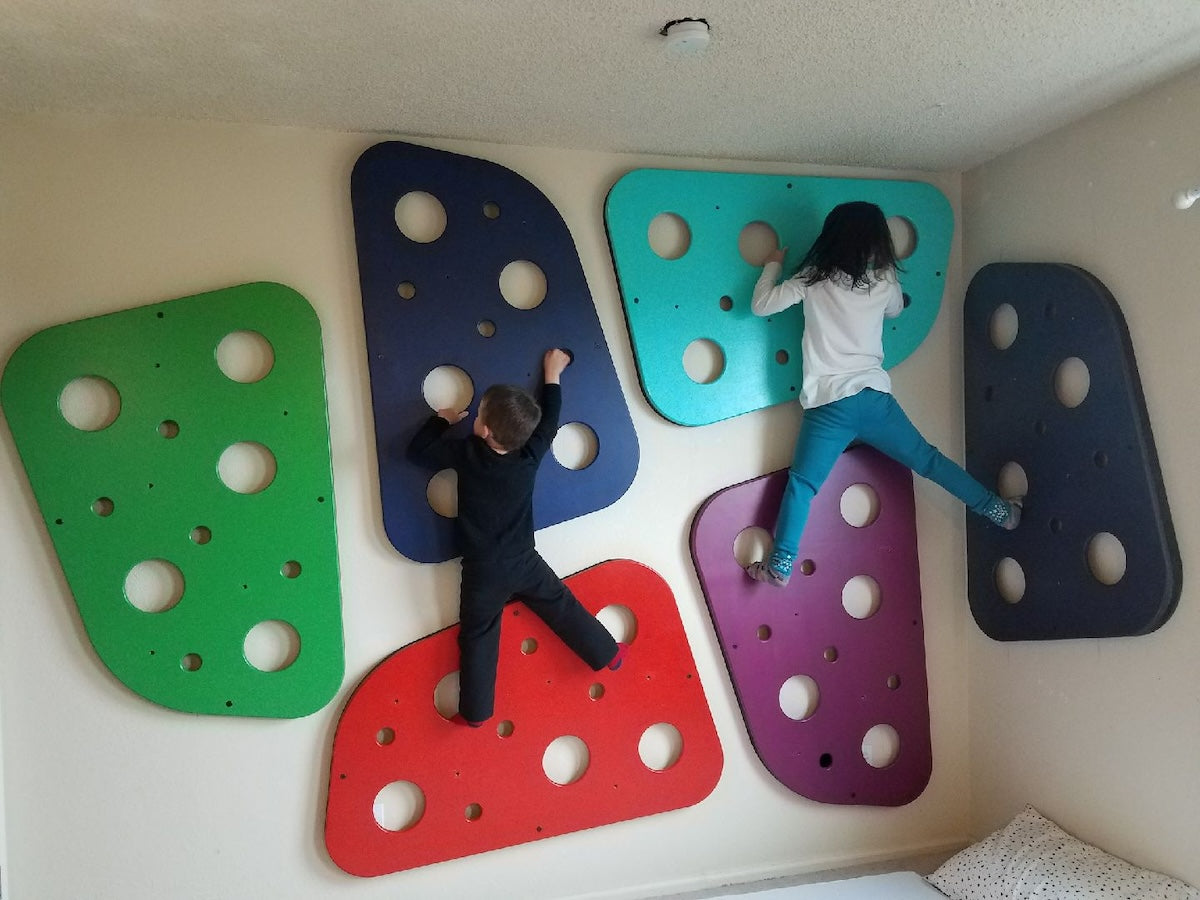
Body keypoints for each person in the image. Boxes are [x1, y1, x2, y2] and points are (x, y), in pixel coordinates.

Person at [746, 201, 1021, 587]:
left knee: (804, 485)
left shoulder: (811, 279)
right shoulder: (884, 284)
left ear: (830, 238)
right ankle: (998, 511)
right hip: (874, 400)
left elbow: (761, 306)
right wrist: (887, 273)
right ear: (878, 243)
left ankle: (781, 564)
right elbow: (894, 310)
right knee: (929, 461)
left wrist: (773, 263)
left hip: (828, 406)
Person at [406, 348, 628, 725]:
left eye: (478, 416)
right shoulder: (530, 454)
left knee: (478, 637)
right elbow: (550, 420)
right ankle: (607, 652)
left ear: (486, 430)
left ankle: (476, 713)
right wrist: (552, 374)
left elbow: (417, 452)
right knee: (561, 606)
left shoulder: (468, 454)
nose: (474, 418)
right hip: (524, 560)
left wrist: (440, 420)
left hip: (483, 572)